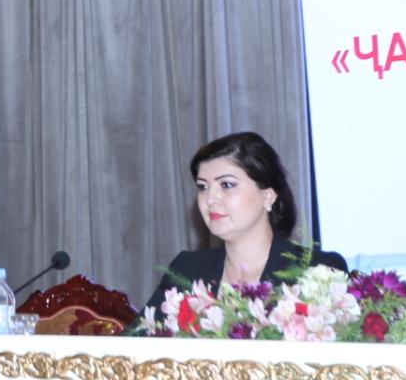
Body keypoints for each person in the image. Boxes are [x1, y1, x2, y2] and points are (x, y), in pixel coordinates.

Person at [145, 131, 345, 314]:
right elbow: (139, 338)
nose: (210, 199)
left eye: (227, 185)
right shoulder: (187, 269)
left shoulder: (317, 271)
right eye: (203, 187)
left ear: (267, 196)